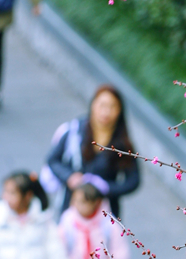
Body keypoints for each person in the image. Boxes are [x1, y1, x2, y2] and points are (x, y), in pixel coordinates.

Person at [45, 84, 140, 221]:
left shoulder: (122, 143)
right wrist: (70, 177)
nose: (106, 112)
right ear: (93, 105)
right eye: (102, 105)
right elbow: (53, 160)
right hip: (72, 208)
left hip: (105, 214)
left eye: (112, 106)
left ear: (120, 110)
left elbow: (133, 181)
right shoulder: (76, 131)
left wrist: (106, 187)